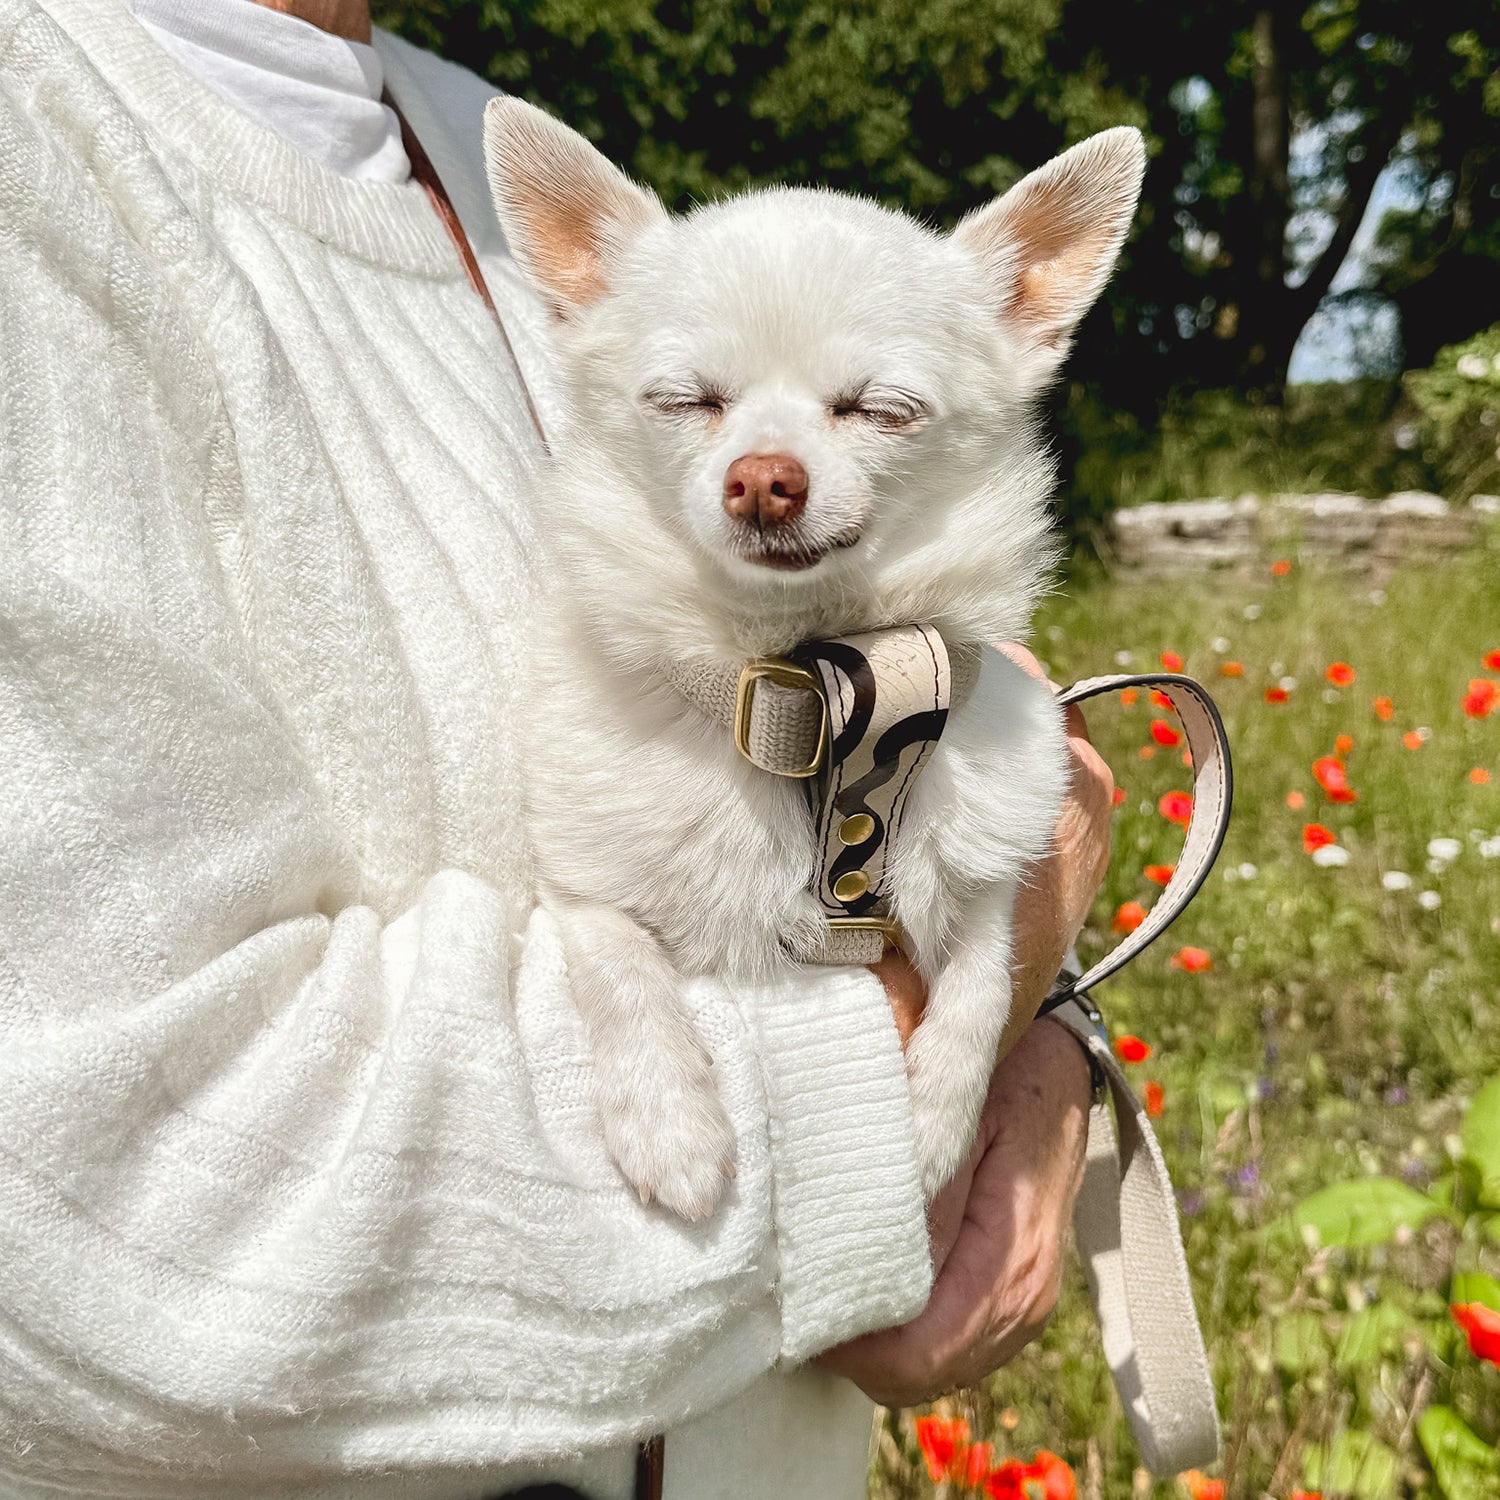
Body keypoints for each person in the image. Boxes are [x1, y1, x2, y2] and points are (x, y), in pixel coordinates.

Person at [0, 0, 1115, 1495]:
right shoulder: (45, 146)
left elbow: (923, 844)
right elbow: (99, 1204)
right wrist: (887, 1115)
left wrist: (1038, 1050)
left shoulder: (475, 139)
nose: (762, 472)